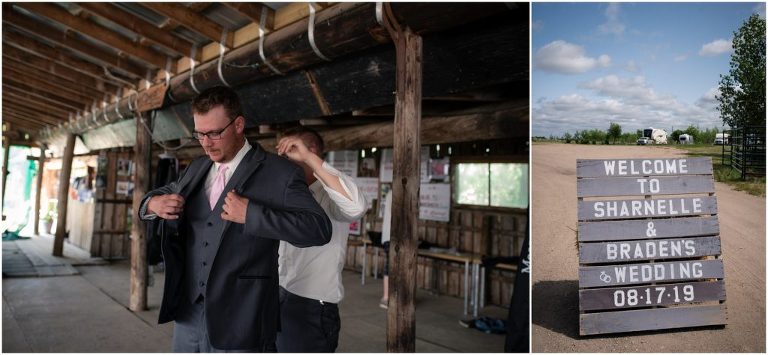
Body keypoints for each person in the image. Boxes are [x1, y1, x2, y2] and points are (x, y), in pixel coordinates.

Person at [138, 86, 332, 352]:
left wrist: (252, 214)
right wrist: (152, 203)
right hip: (188, 311)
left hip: (243, 315)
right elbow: (162, 194)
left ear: (239, 124)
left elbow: (319, 229)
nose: (206, 142)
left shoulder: (280, 173)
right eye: (200, 134)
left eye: (215, 133)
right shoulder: (197, 167)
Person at [274, 127, 367, 352]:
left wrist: (307, 158)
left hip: (312, 307)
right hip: (280, 294)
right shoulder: (289, 191)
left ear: (310, 150)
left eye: (290, 153)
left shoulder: (329, 194)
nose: (284, 161)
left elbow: (356, 207)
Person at [379, 190, 393, 309]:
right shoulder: (394, 194)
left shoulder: (390, 193)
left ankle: (388, 296)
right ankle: (386, 297)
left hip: (389, 236)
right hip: (391, 236)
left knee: (391, 266)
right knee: (390, 266)